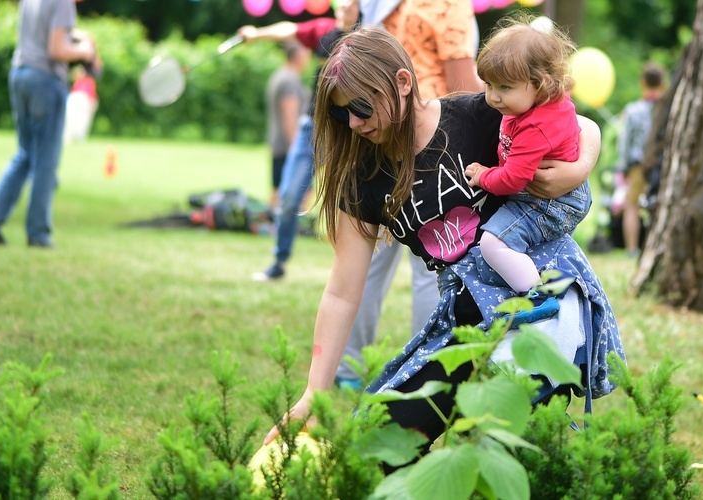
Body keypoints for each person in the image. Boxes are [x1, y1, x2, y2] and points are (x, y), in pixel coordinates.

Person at [263, 27, 622, 471]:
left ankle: (569, 462)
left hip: (541, 302)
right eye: (341, 116)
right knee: (375, 447)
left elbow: (578, 124)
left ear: (402, 81)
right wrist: (313, 393)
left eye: (360, 106)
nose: (354, 123)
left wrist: (579, 166)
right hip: (464, 322)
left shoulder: (477, 117)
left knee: (490, 447)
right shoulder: (364, 179)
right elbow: (341, 292)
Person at [334, 0, 486, 390]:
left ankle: (349, 368)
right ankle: (430, 371)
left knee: (363, 270)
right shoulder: (448, 7)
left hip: (380, 144)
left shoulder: (386, 5)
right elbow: (463, 84)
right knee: (430, 273)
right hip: (431, 137)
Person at [465, 18, 591, 326]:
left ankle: (537, 296)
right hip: (554, 194)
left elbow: (512, 180)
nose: (493, 97)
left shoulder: (536, 126)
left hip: (550, 201)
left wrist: (483, 175)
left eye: (504, 88)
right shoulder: (535, 104)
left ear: (539, 83)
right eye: (489, 85)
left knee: (493, 244)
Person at [239, 0, 361, 281]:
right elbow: (288, 29)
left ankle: (352, 277)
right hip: (314, 129)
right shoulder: (325, 31)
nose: (344, 5)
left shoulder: (369, 36)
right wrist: (257, 34)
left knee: (354, 206)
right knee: (289, 197)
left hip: (355, 133)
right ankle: (279, 262)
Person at [0, 0, 101, 248]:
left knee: (25, 154)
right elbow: (56, 50)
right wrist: (85, 51)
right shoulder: (63, 3)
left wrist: (76, 36)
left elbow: (44, 34)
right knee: (45, 160)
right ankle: (38, 233)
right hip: (46, 81)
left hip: (21, 73)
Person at [615, 62, 666, 257]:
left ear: (643, 83)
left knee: (632, 206)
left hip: (637, 165)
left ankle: (631, 249)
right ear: (662, 83)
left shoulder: (633, 110)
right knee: (659, 204)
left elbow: (625, 142)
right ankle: (655, 247)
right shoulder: (666, 110)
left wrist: (623, 166)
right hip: (660, 164)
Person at [265, 41, 311, 210]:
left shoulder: (282, 76)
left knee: (280, 190)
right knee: (285, 193)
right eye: (307, 53)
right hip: (288, 146)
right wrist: (297, 151)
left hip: (281, 145)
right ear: (298, 56)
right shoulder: (288, 80)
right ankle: (273, 224)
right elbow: (290, 117)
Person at [63, 63, 99, 143]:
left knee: (83, 120)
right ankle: (68, 137)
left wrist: (92, 104)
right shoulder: (77, 82)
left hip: (84, 100)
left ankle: (79, 137)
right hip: (75, 99)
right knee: (70, 118)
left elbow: (91, 95)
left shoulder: (89, 81)